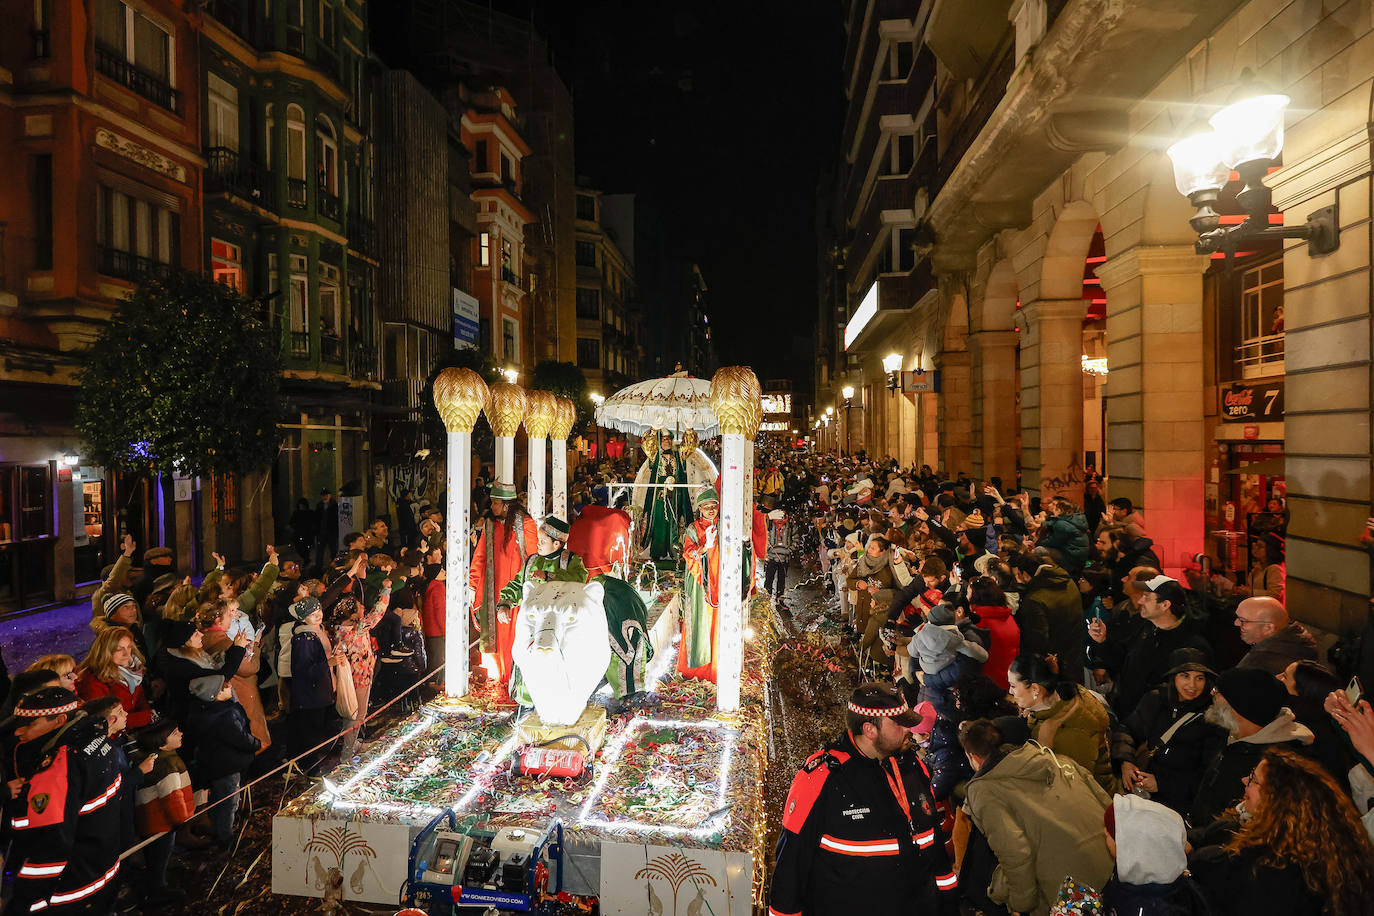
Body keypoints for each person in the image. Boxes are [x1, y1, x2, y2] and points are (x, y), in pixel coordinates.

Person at [769, 683, 958, 916]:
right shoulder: (823, 779)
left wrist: (949, 903)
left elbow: (934, 845)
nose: (909, 730)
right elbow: (791, 864)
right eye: (899, 724)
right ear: (870, 729)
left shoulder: (913, 767)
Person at [1190, 748, 1374, 916]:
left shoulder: (1269, 868)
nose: (1244, 780)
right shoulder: (1326, 853)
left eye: (1254, 779)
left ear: (1277, 800)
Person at [960, 718, 1115, 916]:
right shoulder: (1053, 758)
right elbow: (1107, 805)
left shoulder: (985, 791)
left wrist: (1020, 904)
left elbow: (1015, 853)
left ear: (974, 757)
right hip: (1112, 864)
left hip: (1073, 888)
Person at [5, 687, 125, 916]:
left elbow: (49, 843)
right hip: (100, 871)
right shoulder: (98, 740)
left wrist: (22, 901)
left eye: (29, 724)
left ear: (59, 720)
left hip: (66, 893)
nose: (18, 732)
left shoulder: (57, 767)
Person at [1189, 666, 1314, 828]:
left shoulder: (1275, 762)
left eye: (1217, 692)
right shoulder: (1236, 737)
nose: (1212, 695)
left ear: (1238, 709)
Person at [1110, 648, 1227, 814]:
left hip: (1177, 806)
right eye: (1185, 676)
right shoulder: (1155, 699)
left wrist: (1162, 784)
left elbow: (1208, 777)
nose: (1192, 685)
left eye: (1199, 678)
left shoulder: (1213, 717)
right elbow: (1127, 730)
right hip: (1142, 792)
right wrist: (1125, 761)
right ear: (1173, 677)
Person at [1088, 574, 1212, 717]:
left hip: (1157, 724)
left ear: (1165, 605)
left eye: (1147, 597)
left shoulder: (1192, 646)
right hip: (1131, 716)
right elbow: (1122, 659)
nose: (1140, 601)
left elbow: (1193, 695)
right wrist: (1103, 640)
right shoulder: (1145, 627)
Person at [1008, 653, 1116, 792]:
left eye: (1013, 685)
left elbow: (1070, 788)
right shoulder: (1068, 692)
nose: (1010, 691)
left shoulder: (1066, 735)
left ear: (1035, 689)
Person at [468, 480, 538, 685]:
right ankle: (499, 679)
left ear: (507, 504)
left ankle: (515, 681)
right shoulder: (490, 524)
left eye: (495, 503)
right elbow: (480, 556)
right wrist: (472, 584)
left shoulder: (526, 524)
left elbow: (533, 560)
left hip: (517, 593)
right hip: (493, 590)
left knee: (515, 636)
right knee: (495, 638)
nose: (491, 506)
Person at [184, 674, 260, 849]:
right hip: (228, 765)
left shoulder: (202, 711)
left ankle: (217, 828)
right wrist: (255, 744)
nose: (230, 688)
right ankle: (226, 838)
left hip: (214, 764)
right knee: (228, 802)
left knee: (218, 798)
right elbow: (239, 737)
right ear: (215, 694)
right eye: (226, 687)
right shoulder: (224, 716)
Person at [1100, 794, 1209, 916]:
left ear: (1131, 850)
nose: (1104, 832)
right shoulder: (1129, 863)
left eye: (1110, 833)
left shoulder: (1156, 910)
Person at [284, 596, 344, 771]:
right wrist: (328, 663)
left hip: (319, 691)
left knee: (316, 729)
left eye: (319, 610)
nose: (318, 615)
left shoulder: (316, 632)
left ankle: (312, 763)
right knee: (311, 732)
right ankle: (309, 766)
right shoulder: (304, 638)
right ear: (303, 617)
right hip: (311, 695)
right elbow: (304, 669)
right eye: (312, 613)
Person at [329, 588, 391, 756]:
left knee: (353, 714)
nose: (363, 607)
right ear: (353, 614)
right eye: (359, 606)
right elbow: (377, 613)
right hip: (358, 678)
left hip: (355, 676)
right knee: (357, 714)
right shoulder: (356, 630)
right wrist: (386, 591)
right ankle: (347, 753)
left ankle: (353, 743)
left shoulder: (341, 629)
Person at [1010, 553, 1086, 685]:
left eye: (1018, 575)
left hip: (1055, 667)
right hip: (1074, 654)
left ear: (1025, 575)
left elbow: (1037, 642)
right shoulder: (1067, 581)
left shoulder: (1034, 600)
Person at [74, 624, 155, 728]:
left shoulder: (132, 670)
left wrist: (146, 716)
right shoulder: (92, 681)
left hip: (135, 728)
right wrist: (146, 717)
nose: (127, 654)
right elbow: (106, 721)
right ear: (105, 652)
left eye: (129, 647)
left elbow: (141, 701)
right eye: (119, 649)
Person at [680, 489, 724, 681]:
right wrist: (704, 548)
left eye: (714, 506)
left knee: (718, 622)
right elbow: (688, 553)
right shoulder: (693, 529)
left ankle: (717, 666)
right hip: (700, 582)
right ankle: (697, 669)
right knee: (700, 621)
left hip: (720, 580)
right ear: (699, 509)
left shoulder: (725, 526)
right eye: (706, 507)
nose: (711, 510)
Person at [633, 430, 694, 560]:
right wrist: (653, 430)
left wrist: (689, 430)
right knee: (659, 523)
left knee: (675, 522)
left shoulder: (679, 456)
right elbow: (647, 446)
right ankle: (657, 551)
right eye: (664, 438)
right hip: (659, 496)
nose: (667, 441)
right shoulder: (655, 455)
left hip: (675, 496)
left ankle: (675, 552)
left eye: (669, 439)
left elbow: (689, 447)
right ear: (660, 441)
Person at [1231, 595, 1317, 674]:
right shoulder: (1300, 639)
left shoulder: (1257, 663)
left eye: (1243, 621)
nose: (1236, 623)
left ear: (1268, 628)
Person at [967, 576, 1020, 690]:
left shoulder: (979, 624)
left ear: (975, 598)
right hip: (1011, 676)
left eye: (968, 594)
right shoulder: (1007, 616)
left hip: (992, 684)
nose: (966, 597)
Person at [1241, 534, 1285, 603]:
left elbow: (1275, 594)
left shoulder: (1275, 569)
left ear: (1270, 550)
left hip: (1268, 611)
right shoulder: (1257, 568)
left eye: (1260, 546)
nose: (1256, 548)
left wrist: (1250, 592)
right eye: (1256, 545)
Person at [763, 506, 792, 609]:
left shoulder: (790, 525)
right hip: (771, 557)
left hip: (784, 558)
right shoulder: (769, 524)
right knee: (769, 579)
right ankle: (765, 601)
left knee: (782, 580)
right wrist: (767, 549)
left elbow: (795, 538)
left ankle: (780, 600)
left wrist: (789, 550)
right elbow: (764, 536)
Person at [314, 488, 340, 570]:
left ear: (329, 495)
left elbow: (336, 519)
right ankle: (318, 568)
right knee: (319, 551)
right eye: (323, 495)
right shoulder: (319, 505)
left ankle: (334, 567)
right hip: (321, 532)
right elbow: (317, 519)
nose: (325, 497)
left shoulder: (334, 505)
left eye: (326, 495)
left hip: (331, 532)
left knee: (333, 551)